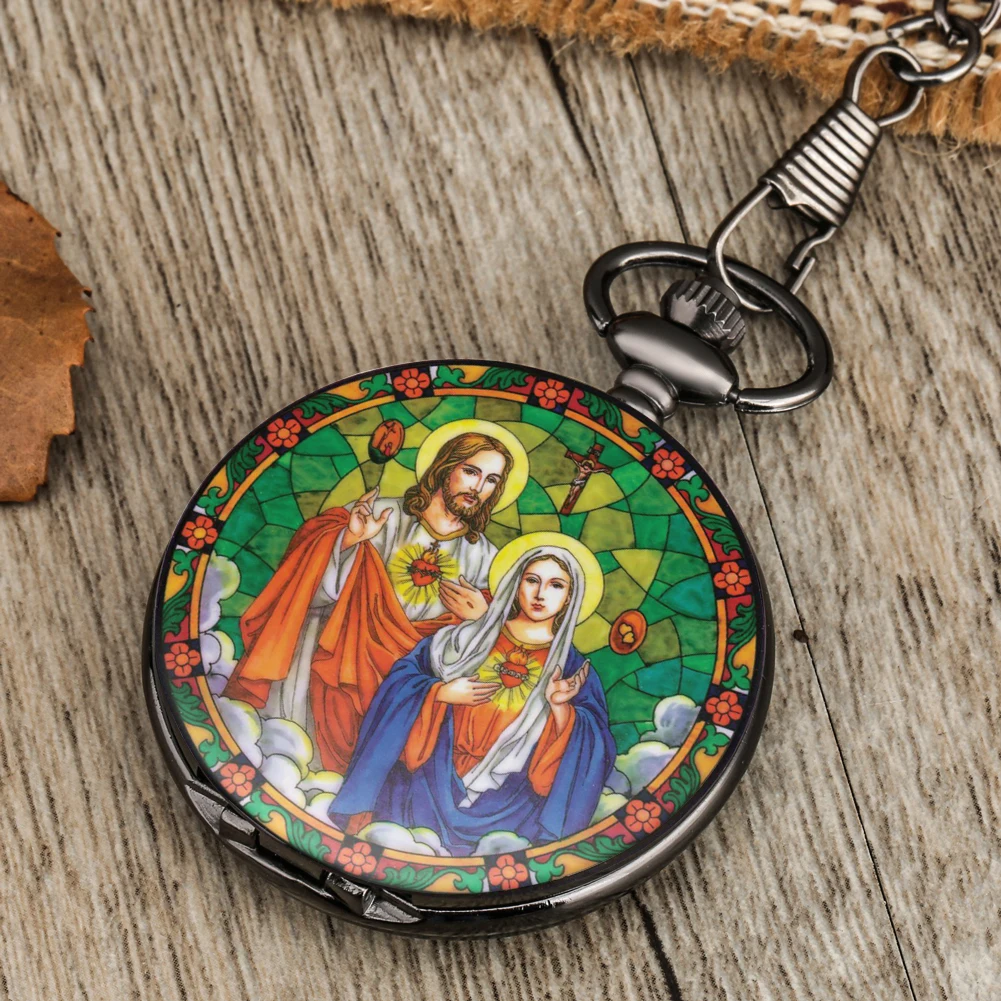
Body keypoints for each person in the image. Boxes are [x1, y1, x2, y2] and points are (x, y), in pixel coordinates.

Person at [221, 427, 524, 772]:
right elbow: (303, 586)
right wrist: (346, 542)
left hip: (410, 685)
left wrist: (483, 618)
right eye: (470, 471)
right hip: (338, 662)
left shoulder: (487, 559)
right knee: (304, 760)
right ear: (445, 468)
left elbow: (497, 650)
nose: (477, 487)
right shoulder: (379, 515)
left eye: (491, 480)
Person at [329, 545, 616, 854]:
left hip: (511, 802)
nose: (540, 594)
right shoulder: (465, 638)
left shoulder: (573, 669)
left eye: (556, 585)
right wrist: (438, 693)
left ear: (570, 597)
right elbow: (401, 680)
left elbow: (595, 746)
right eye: (532, 580)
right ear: (516, 582)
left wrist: (561, 710)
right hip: (430, 778)